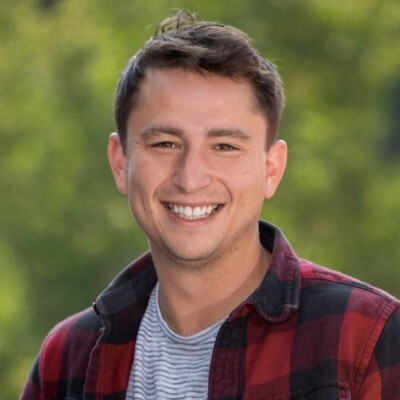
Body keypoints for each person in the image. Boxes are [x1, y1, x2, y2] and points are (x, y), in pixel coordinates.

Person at [20, 10, 400, 400]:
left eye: (225, 147)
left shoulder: (365, 339)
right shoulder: (67, 358)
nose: (190, 177)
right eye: (165, 143)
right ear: (121, 162)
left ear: (272, 169)